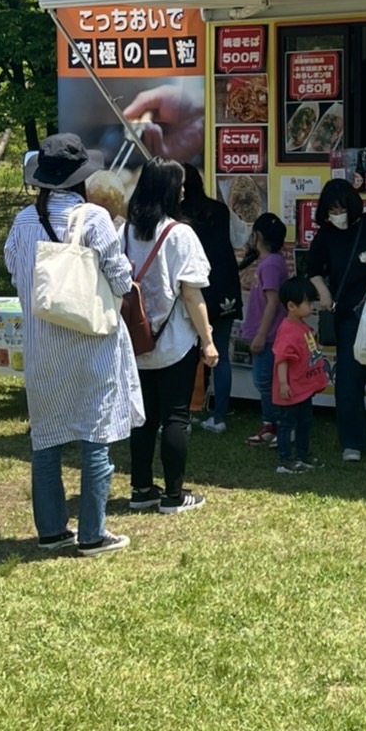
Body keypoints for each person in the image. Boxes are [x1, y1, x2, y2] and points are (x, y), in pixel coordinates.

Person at [5, 133, 143, 556]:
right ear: (81, 176)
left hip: (42, 346)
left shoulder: (23, 221)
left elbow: (14, 269)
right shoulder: (95, 218)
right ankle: (92, 533)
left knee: (46, 438)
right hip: (90, 342)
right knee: (94, 436)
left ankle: (51, 530)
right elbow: (120, 279)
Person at [124, 158, 218, 514]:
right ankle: (174, 495)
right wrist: (208, 340)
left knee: (143, 419)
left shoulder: (124, 232)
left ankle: (141, 489)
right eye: (179, 185)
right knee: (176, 418)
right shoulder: (179, 234)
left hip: (135, 341)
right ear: (167, 190)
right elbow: (192, 294)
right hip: (174, 341)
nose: (183, 191)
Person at [306, 178, 366, 462]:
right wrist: (323, 293)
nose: (337, 215)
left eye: (341, 209)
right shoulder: (326, 234)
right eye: (332, 210)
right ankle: (352, 441)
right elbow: (312, 268)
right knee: (348, 379)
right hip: (346, 313)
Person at [180, 164, 242, 433]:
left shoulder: (177, 215)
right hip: (225, 286)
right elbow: (238, 239)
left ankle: (182, 415)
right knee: (221, 355)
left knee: (188, 356)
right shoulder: (220, 210)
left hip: (194, 290)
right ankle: (219, 417)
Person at [272, 276, 328, 474]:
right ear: (291, 306)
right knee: (287, 424)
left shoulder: (303, 327)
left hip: (303, 387)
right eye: (308, 303)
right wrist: (283, 384)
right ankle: (285, 460)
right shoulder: (287, 330)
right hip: (290, 389)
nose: (311, 307)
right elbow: (282, 359)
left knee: (305, 422)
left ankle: (303, 455)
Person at [242, 212, 288, 446]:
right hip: (267, 333)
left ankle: (276, 425)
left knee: (264, 381)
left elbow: (273, 301)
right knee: (266, 381)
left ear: (257, 236)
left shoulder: (270, 264)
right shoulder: (271, 261)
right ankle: (271, 424)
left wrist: (261, 334)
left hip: (269, 335)